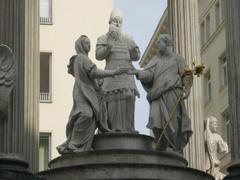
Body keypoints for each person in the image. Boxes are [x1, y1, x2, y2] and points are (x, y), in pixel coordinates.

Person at [57, 35, 128, 154]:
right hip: (82, 92)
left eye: (89, 43)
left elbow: (92, 77)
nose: (89, 46)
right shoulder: (81, 58)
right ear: (80, 45)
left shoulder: (83, 59)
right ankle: (74, 143)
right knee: (86, 114)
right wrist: (114, 72)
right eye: (86, 43)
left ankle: (82, 146)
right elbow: (94, 72)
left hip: (86, 91)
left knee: (91, 117)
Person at [131, 34, 193, 153]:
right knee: (155, 120)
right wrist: (138, 73)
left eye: (159, 42)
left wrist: (188, 86)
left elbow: (187, 74)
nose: (157, 44)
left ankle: (172, 147)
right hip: (157, 95)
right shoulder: (155, 60)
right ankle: (161, 146)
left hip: (172, 92)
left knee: (173, 121)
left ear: (167, 43)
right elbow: (149, 74)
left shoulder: (178, 59)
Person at [95, 9, 140, 133]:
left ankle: (129, 129)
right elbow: (98, 55)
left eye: (120, 21)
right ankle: (113, 130)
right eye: (115, 21)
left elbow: (136, 57)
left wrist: (135, 49)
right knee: (111, 103)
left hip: (126, 76)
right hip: (111, 76)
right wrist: (109, 46)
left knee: (129, 98)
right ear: (109, 21)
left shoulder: (128, 38)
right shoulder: (103, 38)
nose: (117, 24)